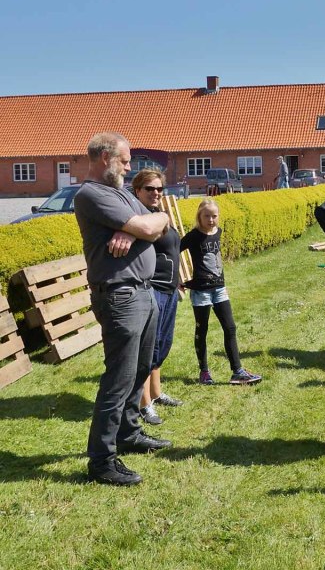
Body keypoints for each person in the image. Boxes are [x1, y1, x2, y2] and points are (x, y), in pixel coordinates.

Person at [73, 132, 173, 486]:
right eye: (125, 161)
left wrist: (132, 232)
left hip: (143, 291)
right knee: (119, 378)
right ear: (105, 158)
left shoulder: (122, 194)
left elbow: (161, 221)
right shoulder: (91, 194)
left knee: (141, 369)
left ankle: (128, 433)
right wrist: (142, 227)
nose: (130, 168)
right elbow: (149, 224)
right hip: (120, 296)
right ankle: (102, 461)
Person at [180, 198, 262, 385]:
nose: (211, 220)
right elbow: (174, 251)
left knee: (230, 327)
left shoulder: (218, 232)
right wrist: (177, 280)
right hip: (201, 292)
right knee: (202, 330)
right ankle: (204, 372)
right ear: (199, 217)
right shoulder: (193, 236)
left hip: (219, 289)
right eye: (206, 216)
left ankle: (237, 371)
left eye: (214, 216)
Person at [130, 169, 185, 426]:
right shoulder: (138, 219)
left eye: (159, 189)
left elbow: (172, 251)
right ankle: (144, 405)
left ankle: (156, 392)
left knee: (162, 343)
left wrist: (178, 280)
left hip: (169, 289)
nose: (156, 193)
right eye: (150, 189)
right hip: (152, 289)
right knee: (148, 348)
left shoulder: (159, 215)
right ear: (137, 190)